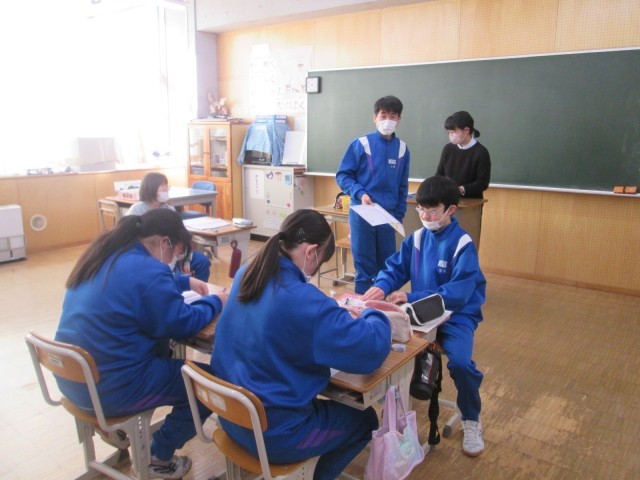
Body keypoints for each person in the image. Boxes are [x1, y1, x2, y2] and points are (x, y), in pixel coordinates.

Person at [211, 209, 392, 480]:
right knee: (364, 420)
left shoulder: (247, 273)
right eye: (320, 262)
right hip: (276, 434)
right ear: (311, 252)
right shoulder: (305, 301)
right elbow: (371, 351)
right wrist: (372, 312)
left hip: (232, 417)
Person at [54, 209, 227, 479]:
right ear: (165, 242)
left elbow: (136, 284)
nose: (174, 260)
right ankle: (158, 457)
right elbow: (182, 323)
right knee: (210, 384)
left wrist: (184, 280)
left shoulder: (103, 256)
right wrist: (216, 301)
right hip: (112, 388)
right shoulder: (149, 270)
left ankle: (110, 428)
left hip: (74, 379)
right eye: (177, 252)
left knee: (165, 353)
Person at [361, 176, 487, 457]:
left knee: (462, 364)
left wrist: (411, 296)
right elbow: (395, 268)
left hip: (456, 316)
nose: (425, 216)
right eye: (421, 209)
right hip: (421, 315)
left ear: (450, 210)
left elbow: (457, 294)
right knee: (391, 348)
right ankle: (395, 406)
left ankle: (471, 419)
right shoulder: (417, 238)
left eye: (432, 210)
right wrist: (381, 286)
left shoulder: (463, 244)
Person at [336, 95, 410, 294]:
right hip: (363, 212)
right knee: (364, 265)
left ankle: (382, 306)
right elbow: (343, 175)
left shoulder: (402, 149)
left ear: (399, 119)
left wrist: (398, 215)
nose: (388, 120)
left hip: (387, 216)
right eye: (383, 115)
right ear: (375, 118)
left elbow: (402, 186)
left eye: (392, 116)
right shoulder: (361, 144)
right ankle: (363, 307)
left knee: (387, 265)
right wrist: (360, 193)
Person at [127, 172, 211, 282]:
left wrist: (186, 260)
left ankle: (197, 290)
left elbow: (180, 235)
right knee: (172, 274)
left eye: (167, 186)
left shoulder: (169, 209)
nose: (166, 189)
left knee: (202, 261)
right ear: (151, 187)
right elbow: (130, 240)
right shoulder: (136, 210)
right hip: (152, 254)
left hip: (173, 251)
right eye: (163, 186)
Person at [436, 111, 491, 198]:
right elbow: (439, 174)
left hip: (471, 201)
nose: (450, 135)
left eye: (453, 132)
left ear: (466, 130)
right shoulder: (448, 149)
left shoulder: (481, 152)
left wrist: (461, 189)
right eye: (449, 132)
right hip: (448, 199)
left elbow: (482, 183)